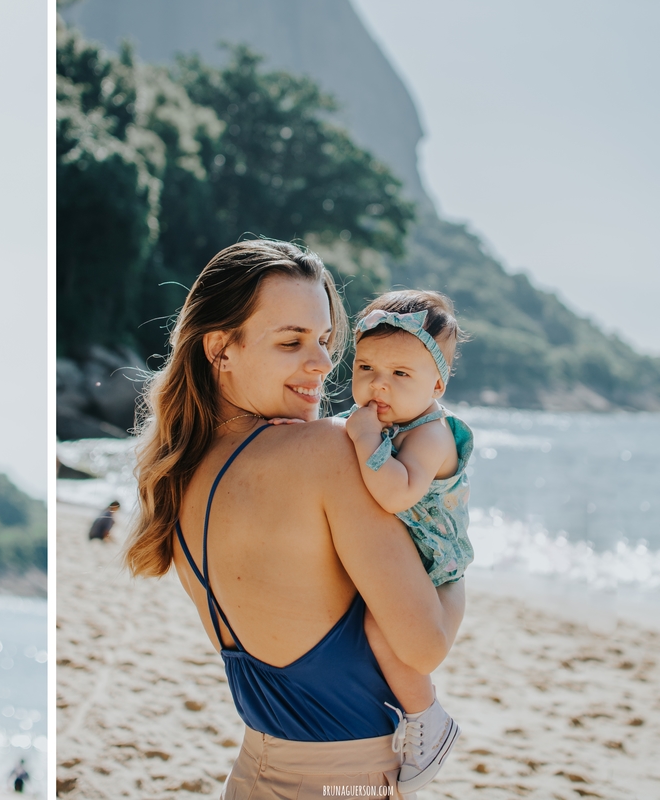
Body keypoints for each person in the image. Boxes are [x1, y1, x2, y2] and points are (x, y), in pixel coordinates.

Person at [127, 239, 465, 799]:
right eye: (291, 342)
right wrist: (453, 540)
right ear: (220, 350)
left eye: (326, 341)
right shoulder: (327, 453)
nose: (322, 363)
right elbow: (424, 644)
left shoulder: (176, 477)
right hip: (348, 782)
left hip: (253, 772)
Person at [340, 290, 473, 791]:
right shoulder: (387, 419)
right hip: (408, 560)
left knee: (381, 629)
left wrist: (362, 439)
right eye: (367, 368)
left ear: (436, 384)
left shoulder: (432, 435)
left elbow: (396, 494)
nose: (379, 386)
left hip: (440, 573)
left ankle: (429, 717)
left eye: (400, 375)